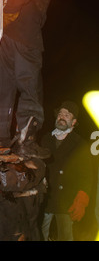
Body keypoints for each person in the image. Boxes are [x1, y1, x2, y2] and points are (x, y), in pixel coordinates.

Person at [0, 0, 68, 159]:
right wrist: (12, 6)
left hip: (5, 32)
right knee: (30, 87)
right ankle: (26, 142)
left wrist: (1, 12)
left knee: (4, 86)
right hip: (25, 33)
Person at [41, 101, 93, 241]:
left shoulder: (80, 144)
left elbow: (86, 175)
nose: (62, 117)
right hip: (45, 200)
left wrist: (82, 198)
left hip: (67, 202)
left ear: (74, 121)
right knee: (38, 236)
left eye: (67, 115)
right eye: (60, 114)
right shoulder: (45, 139)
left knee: (65, 237)